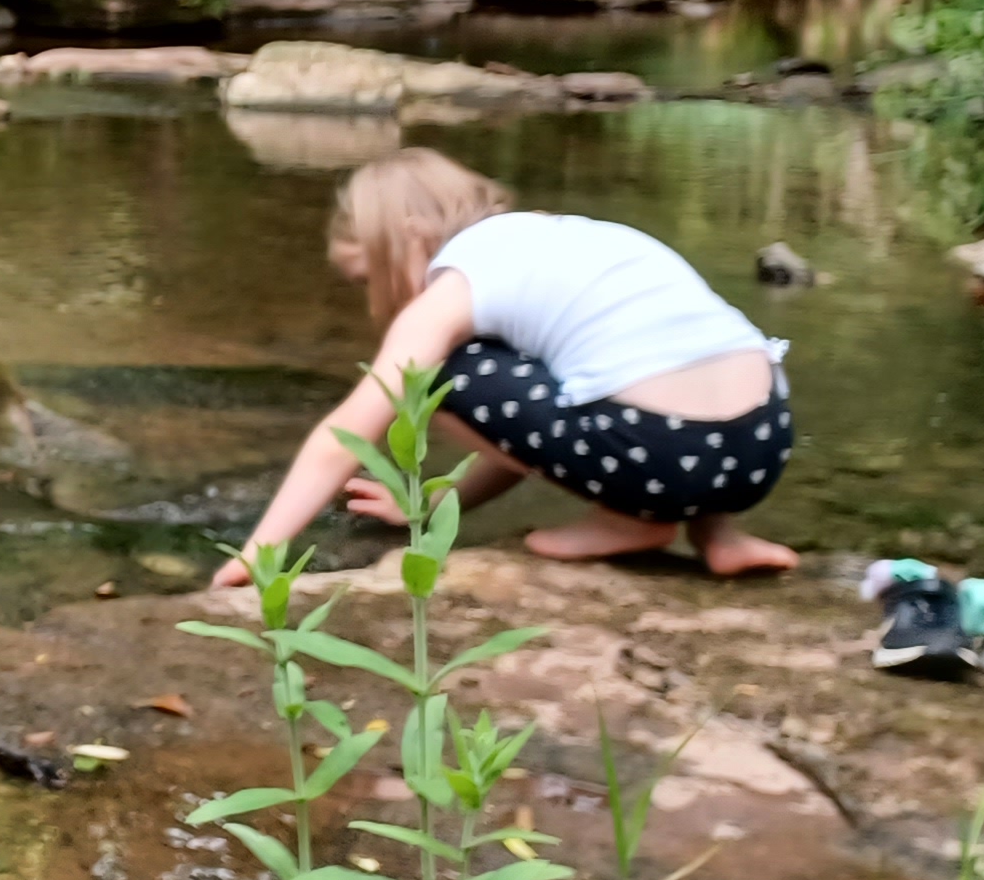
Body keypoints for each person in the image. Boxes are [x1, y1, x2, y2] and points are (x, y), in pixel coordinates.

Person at [206, 146, 796, 593]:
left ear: (409, 239)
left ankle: (632, 522)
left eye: (367, 278)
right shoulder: (554, 239)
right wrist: (434, 507)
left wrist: (258, 553)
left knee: (438, 373)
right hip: (762, 445)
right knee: (625, 376)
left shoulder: (456, 285)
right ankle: (719, 536)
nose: (369, 298)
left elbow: (348, 435)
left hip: (659, 455)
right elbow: (539, 424)